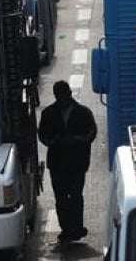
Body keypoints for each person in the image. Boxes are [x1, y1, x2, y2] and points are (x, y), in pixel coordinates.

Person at [38, 80, 98, 244]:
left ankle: (77, 227)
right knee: (61, 197)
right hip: (57, 164)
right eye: (59, 96)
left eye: (65, 95)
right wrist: (53, 141)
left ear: (69, 94)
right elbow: (42, 135)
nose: (62, 98)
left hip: (77, 163)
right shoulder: (48, 113)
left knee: (76, 195)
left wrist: (78, 140)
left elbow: (92, 132)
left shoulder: (83, 112)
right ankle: (66, 228)